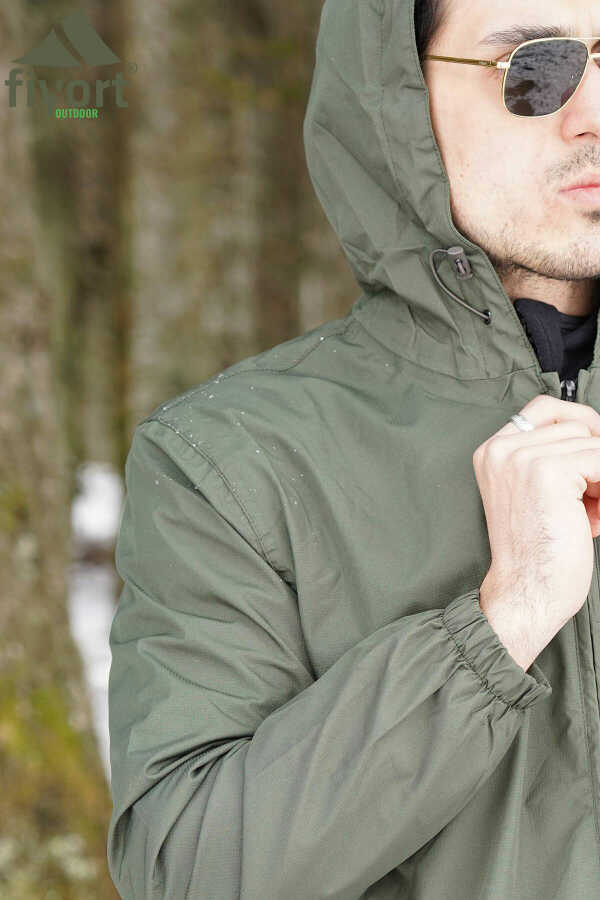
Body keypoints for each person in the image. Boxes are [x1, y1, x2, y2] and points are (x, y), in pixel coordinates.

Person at [106, 1, 600, 897]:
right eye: (535, 68)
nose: (593, 113)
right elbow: (192, 871)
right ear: (395, 98)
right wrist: (503, 622)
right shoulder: (231, 458)